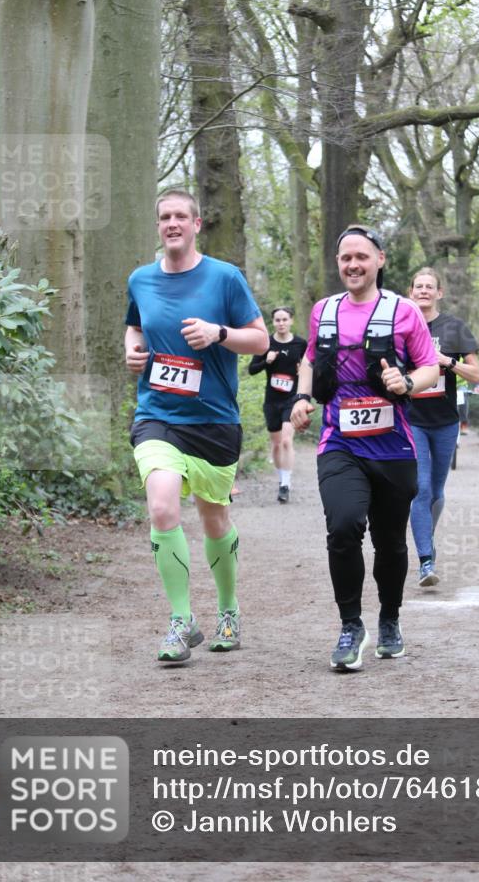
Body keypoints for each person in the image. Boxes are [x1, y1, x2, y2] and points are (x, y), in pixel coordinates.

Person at [124, 188, 269, 663]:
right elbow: (135, 325)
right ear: (158, 225)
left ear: (197, 223)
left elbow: (261, 341)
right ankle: (181, 620)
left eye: (180, 216)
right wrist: (132, 348)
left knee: (213, 518)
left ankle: (228, 609)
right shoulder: (140, 280)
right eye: (164, 216)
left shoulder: (224, 278)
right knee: (162, 506)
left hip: (213, 421)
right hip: (157, 415)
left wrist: (218, 333)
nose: (172, 223)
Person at [291, 226, 439, 671]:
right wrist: (301, 397)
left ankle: (389, 619)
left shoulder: (404, 312)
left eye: (361, 256)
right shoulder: (324, 311)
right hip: (339, 442)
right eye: (344, 258)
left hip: (393, 448)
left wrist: (407, 381)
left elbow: (431, 366)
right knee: (343, 526)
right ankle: (350, 626)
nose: (352, 265)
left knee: (391, 542)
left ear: (380, 260)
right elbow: (312, 359)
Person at [407, 267, 479, 588]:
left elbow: (477, 375)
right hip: (412, 419)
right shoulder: (401, 325)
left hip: (445, 422)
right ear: (411, 292)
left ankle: (427, 538)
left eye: (430, 287)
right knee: (420, 489)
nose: (424, 291)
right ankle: (426, 560)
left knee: (436, 492)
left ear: (439, 293)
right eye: (418, 286)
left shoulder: (454, 328)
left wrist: (447, 361)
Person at [247, 307, 307, 503]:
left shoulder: (300, 344)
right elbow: (252, 370)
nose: (281, 323)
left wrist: (303, 371)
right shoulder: (266, 343)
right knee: (275, 443)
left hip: (292, 399)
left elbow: (311, 367)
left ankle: (285, 484)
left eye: (284, 319)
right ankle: (281, 477)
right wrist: (267, 360)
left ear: (291, 321)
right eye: (277, 320)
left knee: (286, 441)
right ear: (273, 322)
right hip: (272, 401)